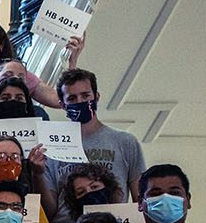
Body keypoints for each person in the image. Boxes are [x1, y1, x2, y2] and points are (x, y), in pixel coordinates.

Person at [54, 68, 145, 198]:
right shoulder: (52, 146)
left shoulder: (125, 141)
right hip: (67, 218)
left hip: (113, 217)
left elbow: (140, 197)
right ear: (63, 105)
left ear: (96, 97)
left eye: (85, 95)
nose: (80, 102)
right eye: (72, 98)